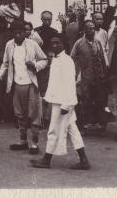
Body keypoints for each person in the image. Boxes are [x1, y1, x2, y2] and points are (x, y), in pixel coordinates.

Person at [30, 35, 90, 170]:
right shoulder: (56, 60)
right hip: (57, 100)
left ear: (63, 44)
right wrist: (47, 99)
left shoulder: (67, 61)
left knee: (53, 131)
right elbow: (54, 83)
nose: (54, 45)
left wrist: (66, 105)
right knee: (73, 130)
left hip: (64, 102)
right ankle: (84, 160)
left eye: (57, 43)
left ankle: (46, 159)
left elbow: (70, 84)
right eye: (52, 43)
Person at [0, 20, 47, 155]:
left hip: (31, 84)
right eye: (15, 33)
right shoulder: (9, 45)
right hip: (17, 83)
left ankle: (34, 143)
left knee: (34, 113)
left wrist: (35, 66)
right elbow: (5, 64)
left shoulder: (32, 44)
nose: (18, 35)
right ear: (12, 33)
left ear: (25, 33)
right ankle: (23, 141)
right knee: (19, 113)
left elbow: (44, 60)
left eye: (21, 33)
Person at [70, 20, 108, 134]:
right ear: (84, 30)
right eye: (89, 28)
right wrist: (76, 74)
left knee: (100, 102)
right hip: (85, 78)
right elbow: (72, 58)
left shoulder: (98, 42)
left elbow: (102, 58)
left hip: (98, 78)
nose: (91, 30)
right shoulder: (79, 43)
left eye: (92, 28)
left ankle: (100, 125)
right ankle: (85, 125)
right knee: (86, 101)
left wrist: (105, 75)